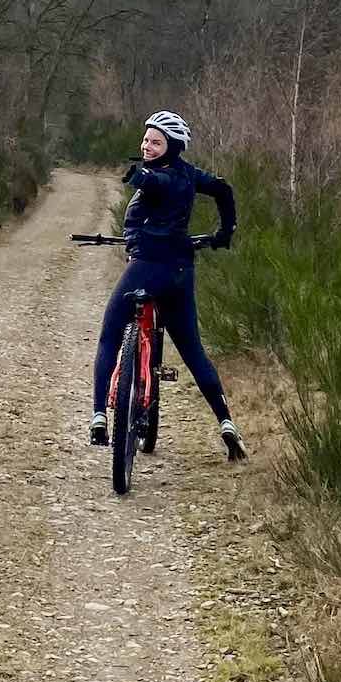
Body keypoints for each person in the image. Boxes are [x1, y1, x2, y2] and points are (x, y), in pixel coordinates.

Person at [89, 110, 246, 461]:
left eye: (156, 142)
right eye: (146, 139)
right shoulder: (191, 175)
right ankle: (226, 423)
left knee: (110, 335)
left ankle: (99, 415)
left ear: (171, 146)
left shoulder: (159, 177)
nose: (147, 146)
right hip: (180, 270)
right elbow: (222, 189)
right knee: (193, 353)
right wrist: (225, 232)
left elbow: (156, 183)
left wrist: (140, 177)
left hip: (146, 267)